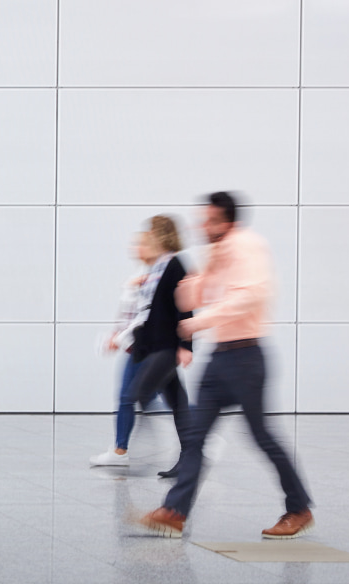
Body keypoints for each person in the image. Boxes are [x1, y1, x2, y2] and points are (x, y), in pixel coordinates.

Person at [139, 192, 315, 540]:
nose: (203, 227)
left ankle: (298, 508)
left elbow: (249, 296)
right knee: (195, 437)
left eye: (211, 221)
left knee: (262, 436)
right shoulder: (218, 252)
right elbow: (189, 298)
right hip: (221, 358)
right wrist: (203, 274)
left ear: (228, 222)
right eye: (203, 220)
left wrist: (201, 321)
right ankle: (174, 511)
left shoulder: (248, 246)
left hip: (247, 357)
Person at [91, 217, 192, 471]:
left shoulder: (175, 265)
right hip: (151, 344)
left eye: (150, 234)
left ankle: (181, 447)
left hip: (164, 346)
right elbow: (147, 312)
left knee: (140, 393)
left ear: (162, 236)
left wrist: (187, 346)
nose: (144, 239)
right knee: (177, 403)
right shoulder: (156, 268)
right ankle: (192, 454)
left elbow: (185, 307)